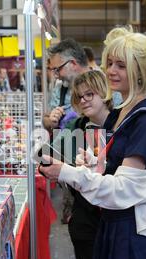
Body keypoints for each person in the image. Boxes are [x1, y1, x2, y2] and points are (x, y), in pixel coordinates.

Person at [40, 26, 146, 259]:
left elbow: (123, 190)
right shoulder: (126, 112)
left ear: (140, 69)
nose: (111, 71)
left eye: (121, 65)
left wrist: (67, 171)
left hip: (132, 231)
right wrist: (90, 164)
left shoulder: (145, 119)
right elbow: (113, 170)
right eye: (110, 63)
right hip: (112, 226)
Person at [61, 70, 117, 259]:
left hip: (118, 221)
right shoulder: (76, 125)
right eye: (79, 96)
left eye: (89, 94)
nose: (83, 100)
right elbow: (45, 159)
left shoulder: (123, 125)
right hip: (85, 219)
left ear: (104, 93)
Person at [43, 39, 91, 224]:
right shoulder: (61, 89)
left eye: (58, 69)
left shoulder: (104, 84)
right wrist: (52, 119)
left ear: (73, 64)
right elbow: (47, 121)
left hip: (98, 173)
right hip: (69, 170)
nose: (55, 75)